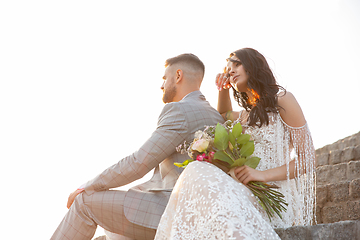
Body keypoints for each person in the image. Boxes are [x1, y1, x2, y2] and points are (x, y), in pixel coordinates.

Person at [51, 53, 224, 240]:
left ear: (178, 75)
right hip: (200, 212)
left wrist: (86, 186)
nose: (162, 85)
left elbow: (138, 163)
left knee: (84, 202)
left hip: (171, 211)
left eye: (165, 78)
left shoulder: (179, 111)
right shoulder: (217, 118)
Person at [154, 48, 316, 239]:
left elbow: (308, 159)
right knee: (195, 170)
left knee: (197, 173)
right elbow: (223, 116)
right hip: (246, 190)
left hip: (273, 194)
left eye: (236, 64)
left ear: (254, 65)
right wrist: (223, 90)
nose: (231, 70)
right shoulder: (246, 115)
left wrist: (261, 175)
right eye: (228, 68)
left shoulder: (283, 100)